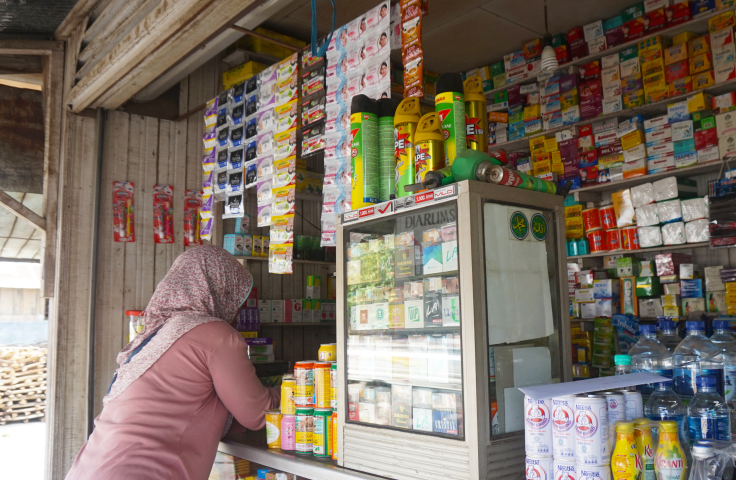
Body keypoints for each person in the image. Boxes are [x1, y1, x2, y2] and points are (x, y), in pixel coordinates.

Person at [65, 246, 280, 480]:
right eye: (238, 298)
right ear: (221, 290)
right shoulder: (217, 334)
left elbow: (183, 404)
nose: (238, 309)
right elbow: (259, 414)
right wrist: (298, 387)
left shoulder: (157, 334)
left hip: (90, 468)